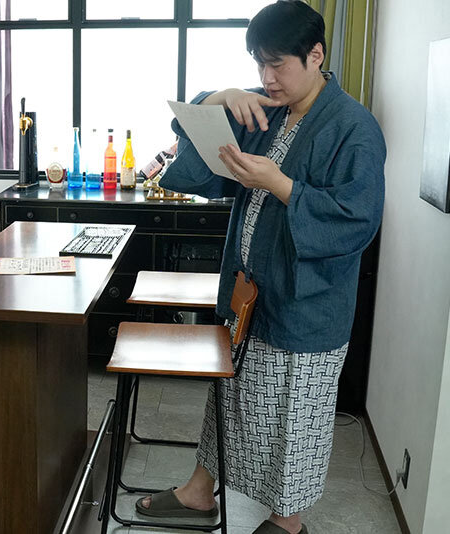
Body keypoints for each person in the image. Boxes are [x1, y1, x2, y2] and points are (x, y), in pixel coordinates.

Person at [136, 2, 385, 534]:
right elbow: (198, 139)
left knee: (294, 418)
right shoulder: (266, 111)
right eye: (258, 64)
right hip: (247, 291)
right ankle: (200, 490)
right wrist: (221, 97)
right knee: (228, 397)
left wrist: (280, 184)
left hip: (304, 304)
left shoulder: (354, 128)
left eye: (277, 64)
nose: (267, 78)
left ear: (315, 55)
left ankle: (287, 521)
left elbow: (357, 219)